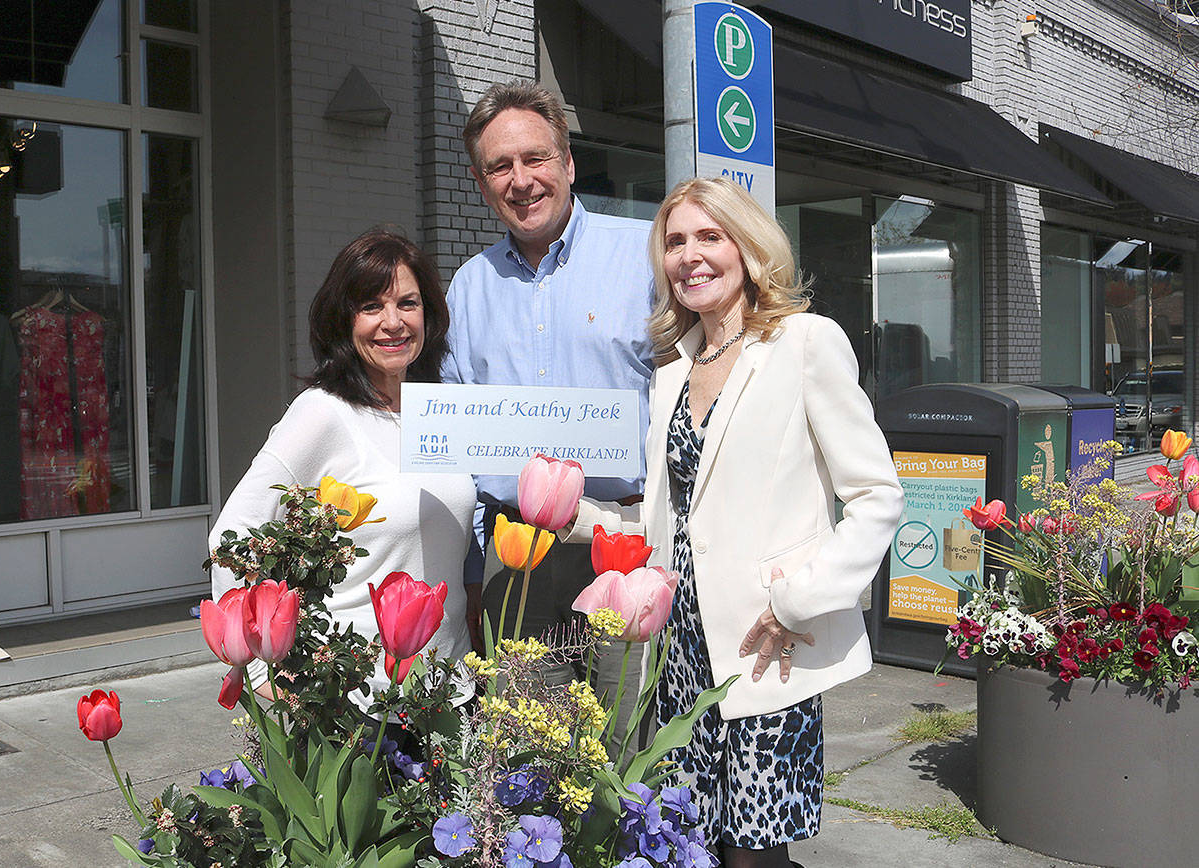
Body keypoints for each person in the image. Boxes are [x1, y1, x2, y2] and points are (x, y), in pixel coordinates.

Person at [564, 177, 903, 868]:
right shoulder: (670, 372)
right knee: (690, 844)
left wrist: (799, 599)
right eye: (675, 241)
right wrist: (563, 509)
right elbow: (665, 514)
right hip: (679, 651)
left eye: (709, 236)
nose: (690, 255)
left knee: (755, 851)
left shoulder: (804, 343)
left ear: (748, 247)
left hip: (765, 639)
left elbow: (876, 495)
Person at [441, 81, 654, 729]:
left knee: (629, 754)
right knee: (533, 761)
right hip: (517, 558)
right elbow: (457, 446)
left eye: (535, 158)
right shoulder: (469, 287)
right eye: (500, 167)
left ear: (568, 163)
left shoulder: (647, 256)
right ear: (481, 185)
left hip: (625, 545)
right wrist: (475, 570)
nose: (521, 180)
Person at [208, 228, 475, 709]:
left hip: (447, 691)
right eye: (371, 306)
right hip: (359, 698)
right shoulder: (323, 413)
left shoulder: (438, 411)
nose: (392, 323)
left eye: (408, 304)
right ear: (344, 320)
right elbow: (234, 534)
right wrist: (259, 664)